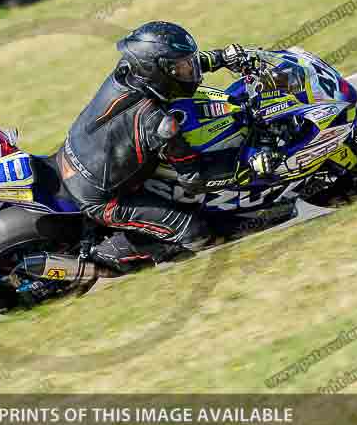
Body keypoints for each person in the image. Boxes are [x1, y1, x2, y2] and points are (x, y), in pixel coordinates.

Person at [57, 21, 273, 273]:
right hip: (101, 199)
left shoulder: (130, 69)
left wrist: (222, 58)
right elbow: (194, 179)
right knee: (197, 231)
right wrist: (250, 164)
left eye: (188, 63)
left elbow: (172, 68)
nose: (189, 70)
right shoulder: (158, 124)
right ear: (158, 70)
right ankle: (105, 255)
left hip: (75, 154)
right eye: (183, 67)